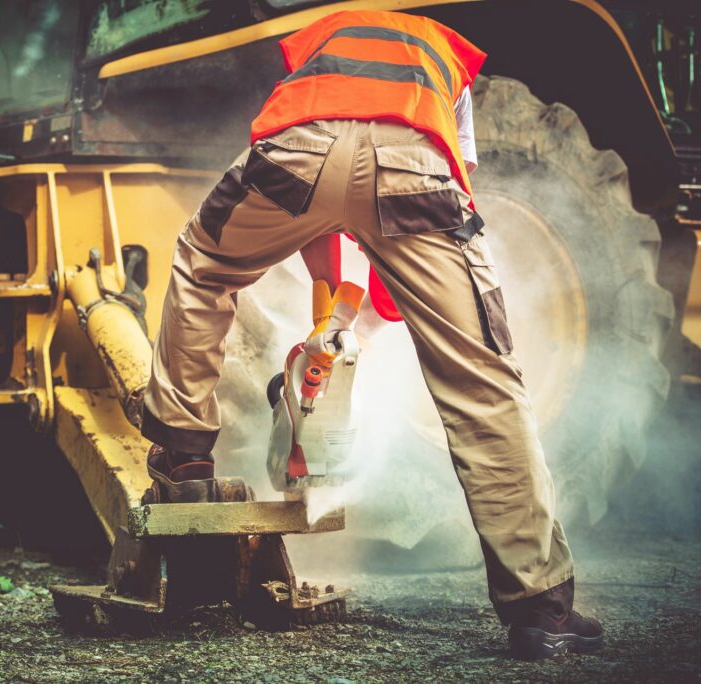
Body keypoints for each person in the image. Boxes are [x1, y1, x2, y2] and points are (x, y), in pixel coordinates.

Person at [139, 9, 603, 660]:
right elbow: (444, 186)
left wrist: (331, 311)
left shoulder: (321, 37)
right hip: (416, 168)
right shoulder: (450, 60)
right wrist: (380, 307)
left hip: (295, 158)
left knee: (203, 264)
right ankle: (541, 607)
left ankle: (185, 455)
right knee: (483, 377)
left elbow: (321, 190)